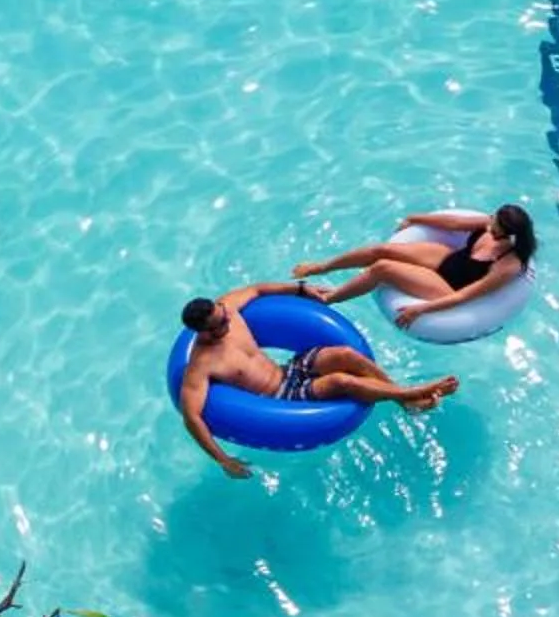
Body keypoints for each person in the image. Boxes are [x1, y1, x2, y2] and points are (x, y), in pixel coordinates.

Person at [175, 280, 458, 477]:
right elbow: (192, 418)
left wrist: (301, 289)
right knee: (342, 382)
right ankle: (410, 394)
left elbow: (257, 289)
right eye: (220, 324)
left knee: (346, 355)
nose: (228, 321)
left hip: (289, 369)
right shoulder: (201, 365)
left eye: (224, 315)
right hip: (280, 395)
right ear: (203, 332)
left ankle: (403, 400)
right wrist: (223, 460)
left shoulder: (228, 309)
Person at [291, 203, 536, 326]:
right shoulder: (488, 224)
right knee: (381, 250)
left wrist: (421, 309)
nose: (489, 222)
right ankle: (321, 267)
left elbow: (466, 295)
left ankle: (329, 299)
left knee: (383, 268)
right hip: (448, 259)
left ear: (507, 233)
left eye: (494, 223)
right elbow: (452, 223)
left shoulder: (508, 264)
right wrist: (414, 218)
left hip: (450, 286)